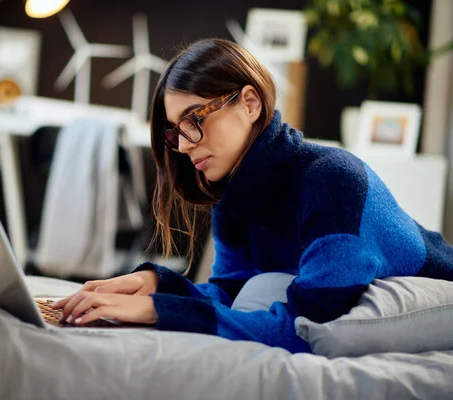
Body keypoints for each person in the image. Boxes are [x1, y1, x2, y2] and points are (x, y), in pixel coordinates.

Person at [51, 38, 453, 353]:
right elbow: (233, 292)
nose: (186, 145)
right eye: (176, 131)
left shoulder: (332, 180)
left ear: (250, 102)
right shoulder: (235, 192)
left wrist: (162, 311)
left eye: (195, 119)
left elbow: (307, 325)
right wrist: (154, 286)